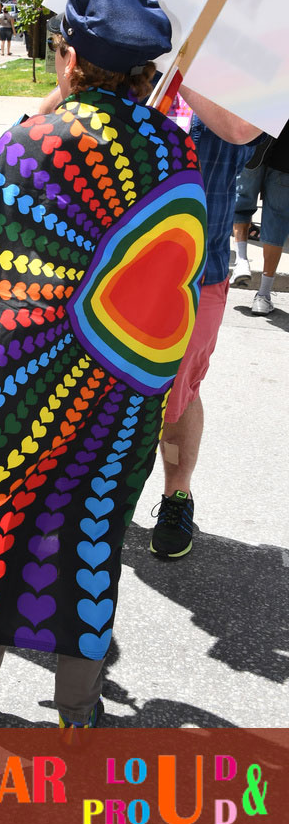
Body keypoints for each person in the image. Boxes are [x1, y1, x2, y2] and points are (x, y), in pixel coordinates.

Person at [0, 0, 208, 730]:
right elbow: (177, 276)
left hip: (22, 381)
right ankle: (78, 705)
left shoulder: (32, 144)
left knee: (8, 521)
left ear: (67, 55)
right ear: (145, 73)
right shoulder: (175, 152)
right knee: (89, 534)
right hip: (125, 384)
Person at [144, 89, 260, 559]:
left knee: (179, 393)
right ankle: (101, 501)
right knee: (105, 390)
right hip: (115, 268)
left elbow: (239, 130)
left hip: (199, 271)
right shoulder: (139, 54)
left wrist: (187, 69)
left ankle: (177, 496)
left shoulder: (236, 73)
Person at [230, 120, 289, 314]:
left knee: (241, 203)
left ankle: (241, 261)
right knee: (277, 219)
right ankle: (263, 296)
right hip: (285, 157)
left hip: (256, 139)